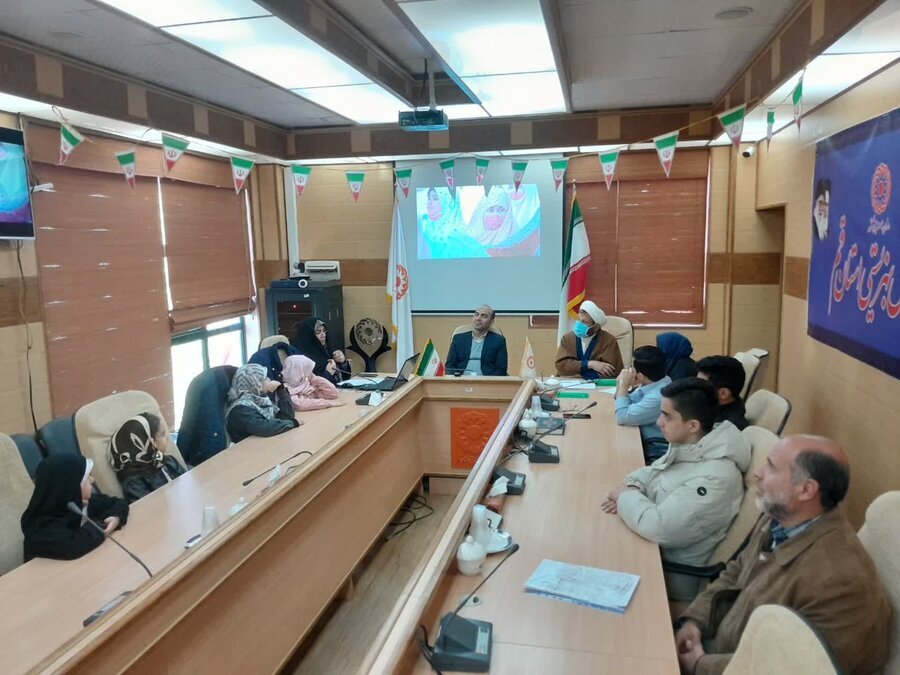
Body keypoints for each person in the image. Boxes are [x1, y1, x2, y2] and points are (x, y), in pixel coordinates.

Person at [674, 435, 892, 675]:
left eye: (771, 466)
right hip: (722, 651)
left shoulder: (839, 582)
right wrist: (695, 621)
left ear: (806, 489)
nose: (757, 472)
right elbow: (736, 571)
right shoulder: (781, 518)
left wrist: (700, 665)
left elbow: (792, 668)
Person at [602, 378, 750, 600]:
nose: (659, 422)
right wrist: (632, 485)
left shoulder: (716, 478)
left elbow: (659, 527)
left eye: (667, 416)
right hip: (650, 547)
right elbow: (656, 471)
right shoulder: (695, 446)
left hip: (667, 575)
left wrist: (625, 496)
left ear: (693, 426)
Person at [21, 454, 129, 562]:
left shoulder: (79, 501)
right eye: (86, 477)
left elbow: (118, 502)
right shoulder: (40, 527)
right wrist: (103, 524)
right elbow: (73, 546)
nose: (92, 480)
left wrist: (115, 517)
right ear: (70, 486)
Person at [109, 412, 187, 504]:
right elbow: (147, 508)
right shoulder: (134, 482)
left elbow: (187, 481)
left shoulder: (167, 460)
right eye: (162, 434)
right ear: (148, 443)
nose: (167, 438)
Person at [614, 346, 672, 463]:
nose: (629, 370)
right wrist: (620, 384)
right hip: (638, 435)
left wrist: (624, 385)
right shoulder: (655, 381)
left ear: (640, 375)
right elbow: (622, 401)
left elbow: (622, 417)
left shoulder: (659, 396)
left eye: (632, 367)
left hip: (654, 447)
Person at [225, 363, 300, 444]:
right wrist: (292, 423)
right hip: (248, 449)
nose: (269, 380)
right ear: (254, 383)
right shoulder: (241, 409)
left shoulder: (259, 400)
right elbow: (265, 428)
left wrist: (281, 390)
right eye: (264, 379)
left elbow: (287, 416)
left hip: (264, 444)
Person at [555, 300, 623, 379]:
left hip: (597, 384)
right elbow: (561, 366)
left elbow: (610, 371)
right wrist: (589, 364)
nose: (580, 325)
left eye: (584, 322)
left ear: (595, 327)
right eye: (579, 320)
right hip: (569, 382)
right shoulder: (567, 338)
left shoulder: (608, 340)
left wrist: (577, 371)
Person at [445, 305, 509, 376]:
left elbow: (501, 369)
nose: (478, 318)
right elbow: (449, 367)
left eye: (484, 316)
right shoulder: (458, 339)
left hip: (487, 380)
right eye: (476, 314)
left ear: (492, 322)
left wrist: (487, 380)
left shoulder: (498, 341)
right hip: (461, 379)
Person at [696, 356, 749, 430]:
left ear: (723, 393)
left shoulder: (724, 430)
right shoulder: (713, 407)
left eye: (700, 385)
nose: (694, 388)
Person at [294, 317, 351, 385]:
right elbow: (305, 386)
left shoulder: (326, 350)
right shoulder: (300, 359)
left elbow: (345, 378)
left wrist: (343, 362)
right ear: (308, 335)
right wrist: (327, 374)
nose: (323, 335)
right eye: (318, 332)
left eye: (324, 331)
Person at [281, 355, 346, 411]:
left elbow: (333, 394)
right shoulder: (287, 390)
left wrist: (317, 379)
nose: (311, 373)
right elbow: (301, 405)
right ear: (299, 373)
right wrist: (328, 403)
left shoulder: (307, 383)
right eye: (307, 370)